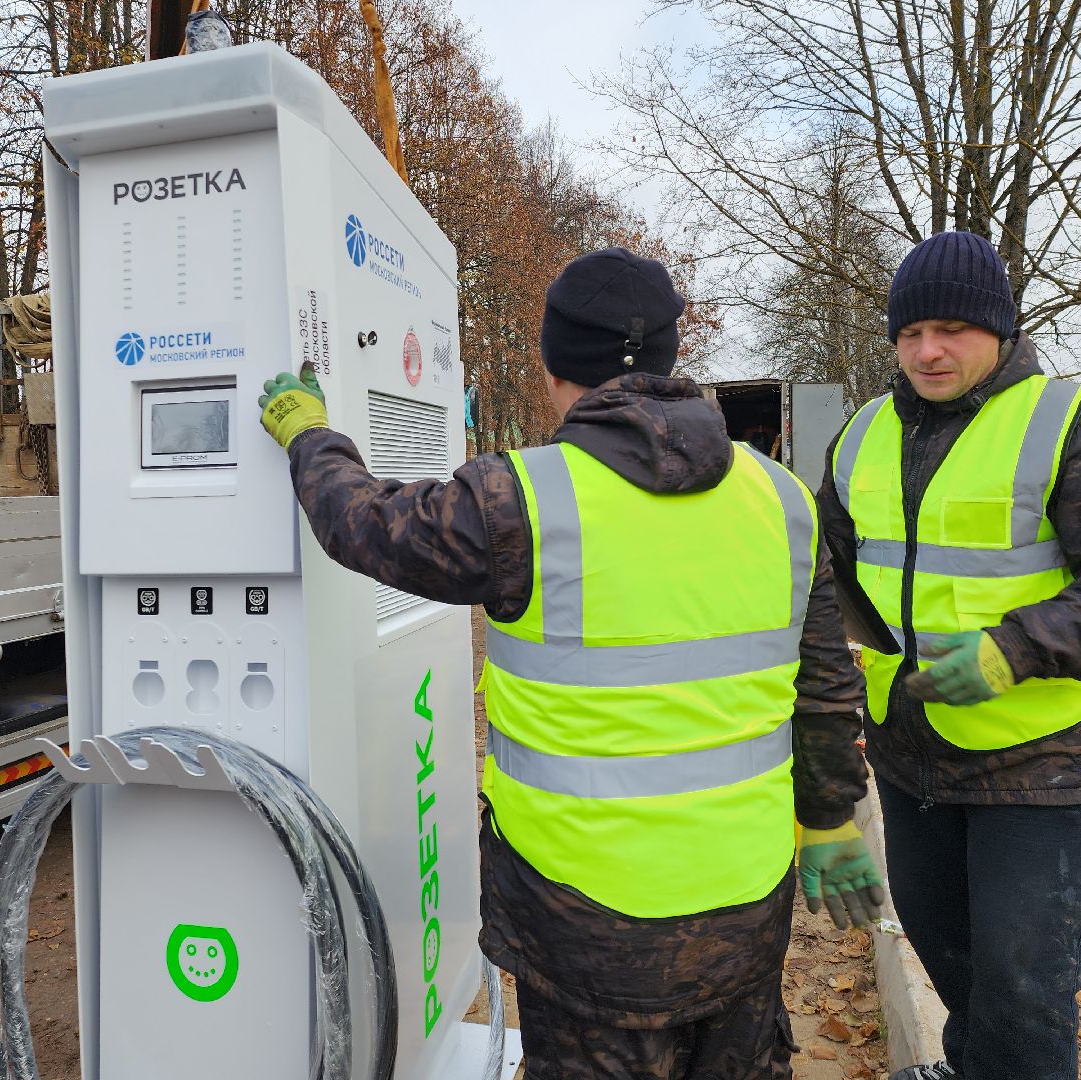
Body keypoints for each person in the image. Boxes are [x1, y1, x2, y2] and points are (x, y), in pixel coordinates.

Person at [259, 247, 881, 1079]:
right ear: (669, 361)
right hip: (744, 905)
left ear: (553, 369)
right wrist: (832, 816)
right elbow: (827, 684)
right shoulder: (781, 499)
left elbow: (364, 524)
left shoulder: (516, 500)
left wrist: (308, 434)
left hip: (581, 920)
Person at [816, 231, 1081, 1080]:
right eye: (911, 332)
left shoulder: (1074, 424)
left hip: (1035, 766)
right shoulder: (864, 432)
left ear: (1000, 329)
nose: (928, 350)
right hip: (909, 758)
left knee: (1025, 994)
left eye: (951, 329)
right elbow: (822, 572)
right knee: (954, 965)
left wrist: (1014, 649)